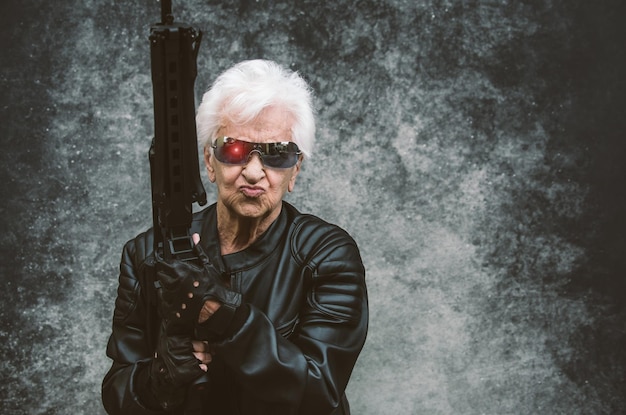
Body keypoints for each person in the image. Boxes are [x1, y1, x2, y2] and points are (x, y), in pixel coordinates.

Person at [102, 59, 368, 414]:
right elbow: (117, 391)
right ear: (210, 163)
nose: (255, 172)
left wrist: (226, 317)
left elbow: (317, 393)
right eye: (235, 149)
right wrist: (158, 380)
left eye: (277, 154)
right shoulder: (147, 253)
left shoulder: (327, 256)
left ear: (295, 171)